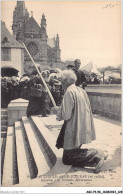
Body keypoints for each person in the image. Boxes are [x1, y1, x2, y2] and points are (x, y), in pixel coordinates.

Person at [52, 70, 108, 173]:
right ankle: (100, 153)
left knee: (67, 159)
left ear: (65, 81)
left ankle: (97, 156)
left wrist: (57, 111)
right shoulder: (81, 90)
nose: (61, 84)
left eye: (61, 81)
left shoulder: (68, 92)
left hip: (73, 129)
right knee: (74, 152)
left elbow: (66, 115)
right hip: (81, 128)